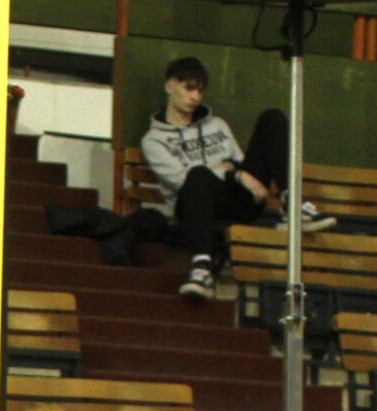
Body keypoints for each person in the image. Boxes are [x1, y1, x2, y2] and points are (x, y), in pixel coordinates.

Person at [141, 55, 334, 300]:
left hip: (238, 200)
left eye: (200, 90)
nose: (195, 96)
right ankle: (201, 269)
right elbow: (182, 181)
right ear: (170, 86)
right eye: (189, 88)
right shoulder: (154, 140)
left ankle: (292, 205)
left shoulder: (217, 125)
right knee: (197, 175)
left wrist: (237, 172)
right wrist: (232, 172)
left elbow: (239, 161)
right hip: (195, 207)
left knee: (272, 117)